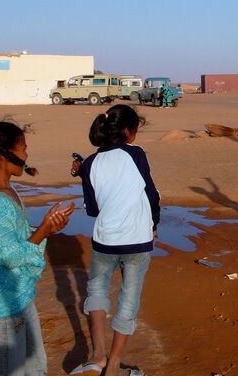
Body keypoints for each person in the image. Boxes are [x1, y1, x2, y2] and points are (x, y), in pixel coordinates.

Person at [0, 120, 74, 376]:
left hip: (21, 299)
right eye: (23, 149)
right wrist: (43, 231)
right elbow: (9, 256)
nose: (27, 156)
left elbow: (17, 240)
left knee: (36, 369)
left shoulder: (8, 191)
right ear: (4, 154)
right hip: (4, 309)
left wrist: (47, 228)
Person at [71, 104, 160, 376]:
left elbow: (93, 209)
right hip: (138, 240)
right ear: (128, 131)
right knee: (129, 299)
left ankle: (97, 356)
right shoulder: (136, 154)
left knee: (97, 290)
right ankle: (113, 365)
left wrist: (83, 172)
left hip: (105, 240)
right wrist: (153, 223)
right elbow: (151, 193)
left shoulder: (89, 163)